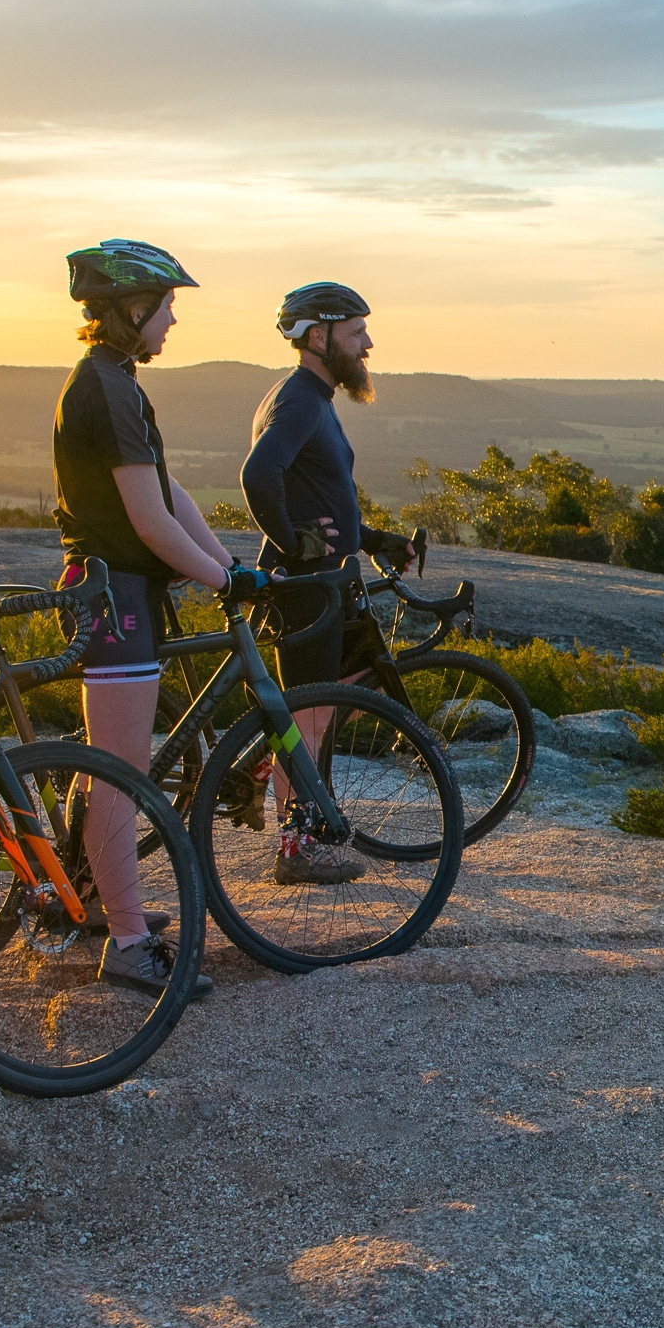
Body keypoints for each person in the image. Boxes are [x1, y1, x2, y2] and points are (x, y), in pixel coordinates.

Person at [53, 239, 261, 996]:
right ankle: (128, 942)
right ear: (130, 309)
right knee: (119, 774)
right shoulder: (105, 387)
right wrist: (219, 577)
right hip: (113, 597)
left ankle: (96, 898)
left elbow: (173, 497)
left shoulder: (116, 381)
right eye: (166, 304)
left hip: (124, 595)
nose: (173, 318)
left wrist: (228, 568)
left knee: (114, 761)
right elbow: (146, 520)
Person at [238, 282, 419, 885]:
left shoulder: (311, 397)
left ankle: (261, 774)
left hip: (321, 579)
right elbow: (260, 475)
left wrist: (368, 539)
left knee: (319, 703)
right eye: (356, 331)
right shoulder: (299, 401)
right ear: (319, 337)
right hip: (308, 588)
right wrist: (298, 547)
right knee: (309, 717)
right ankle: (296, 846)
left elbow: (316, 496)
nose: (368, 342)